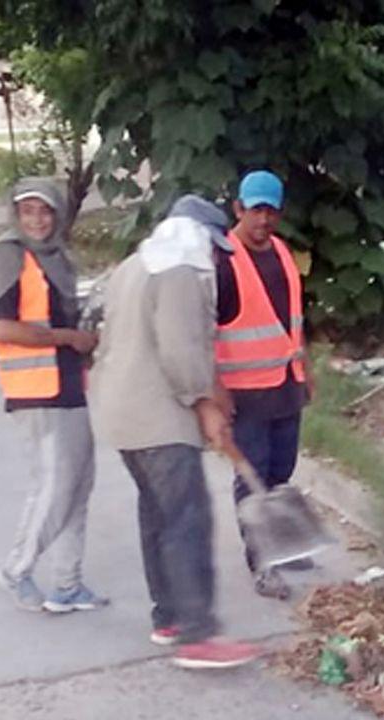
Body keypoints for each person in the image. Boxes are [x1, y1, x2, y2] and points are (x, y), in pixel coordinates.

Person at [87, 195, 261, 670]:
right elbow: (182, 353)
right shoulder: (181, 271)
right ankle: (198, 635)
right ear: (199, 237)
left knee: (158, 515)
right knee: (188, 518)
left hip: (121, 414)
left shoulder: (133, 266)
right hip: (159, 416)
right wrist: (204, 404)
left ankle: (167, 617)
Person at [0, 178, 108, 615]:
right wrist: (67, 337)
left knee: (78, 486)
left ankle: (67, 585)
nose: (36, 220)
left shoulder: (57, 257)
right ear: (15, 215)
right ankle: (16, 570)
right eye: (27, 211)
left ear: (57, 214)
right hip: (36, 390)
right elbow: (2, 326)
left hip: (67, 384)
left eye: (44, 211)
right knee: (55, 487)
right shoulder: (9, 254)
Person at [214, 170, 313, 600]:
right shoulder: (222, 260)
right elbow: (205, 331)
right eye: (255, 210)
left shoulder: (283, 253)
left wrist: (306, 371)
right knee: (252, 478)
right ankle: (262, 563)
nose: (263, 220)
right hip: (245, 393)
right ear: (238, 209)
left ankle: (283, 546)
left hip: (285, 384)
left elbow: (293, 321)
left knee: (280, 471)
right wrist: (215, 391)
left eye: (271, 211)